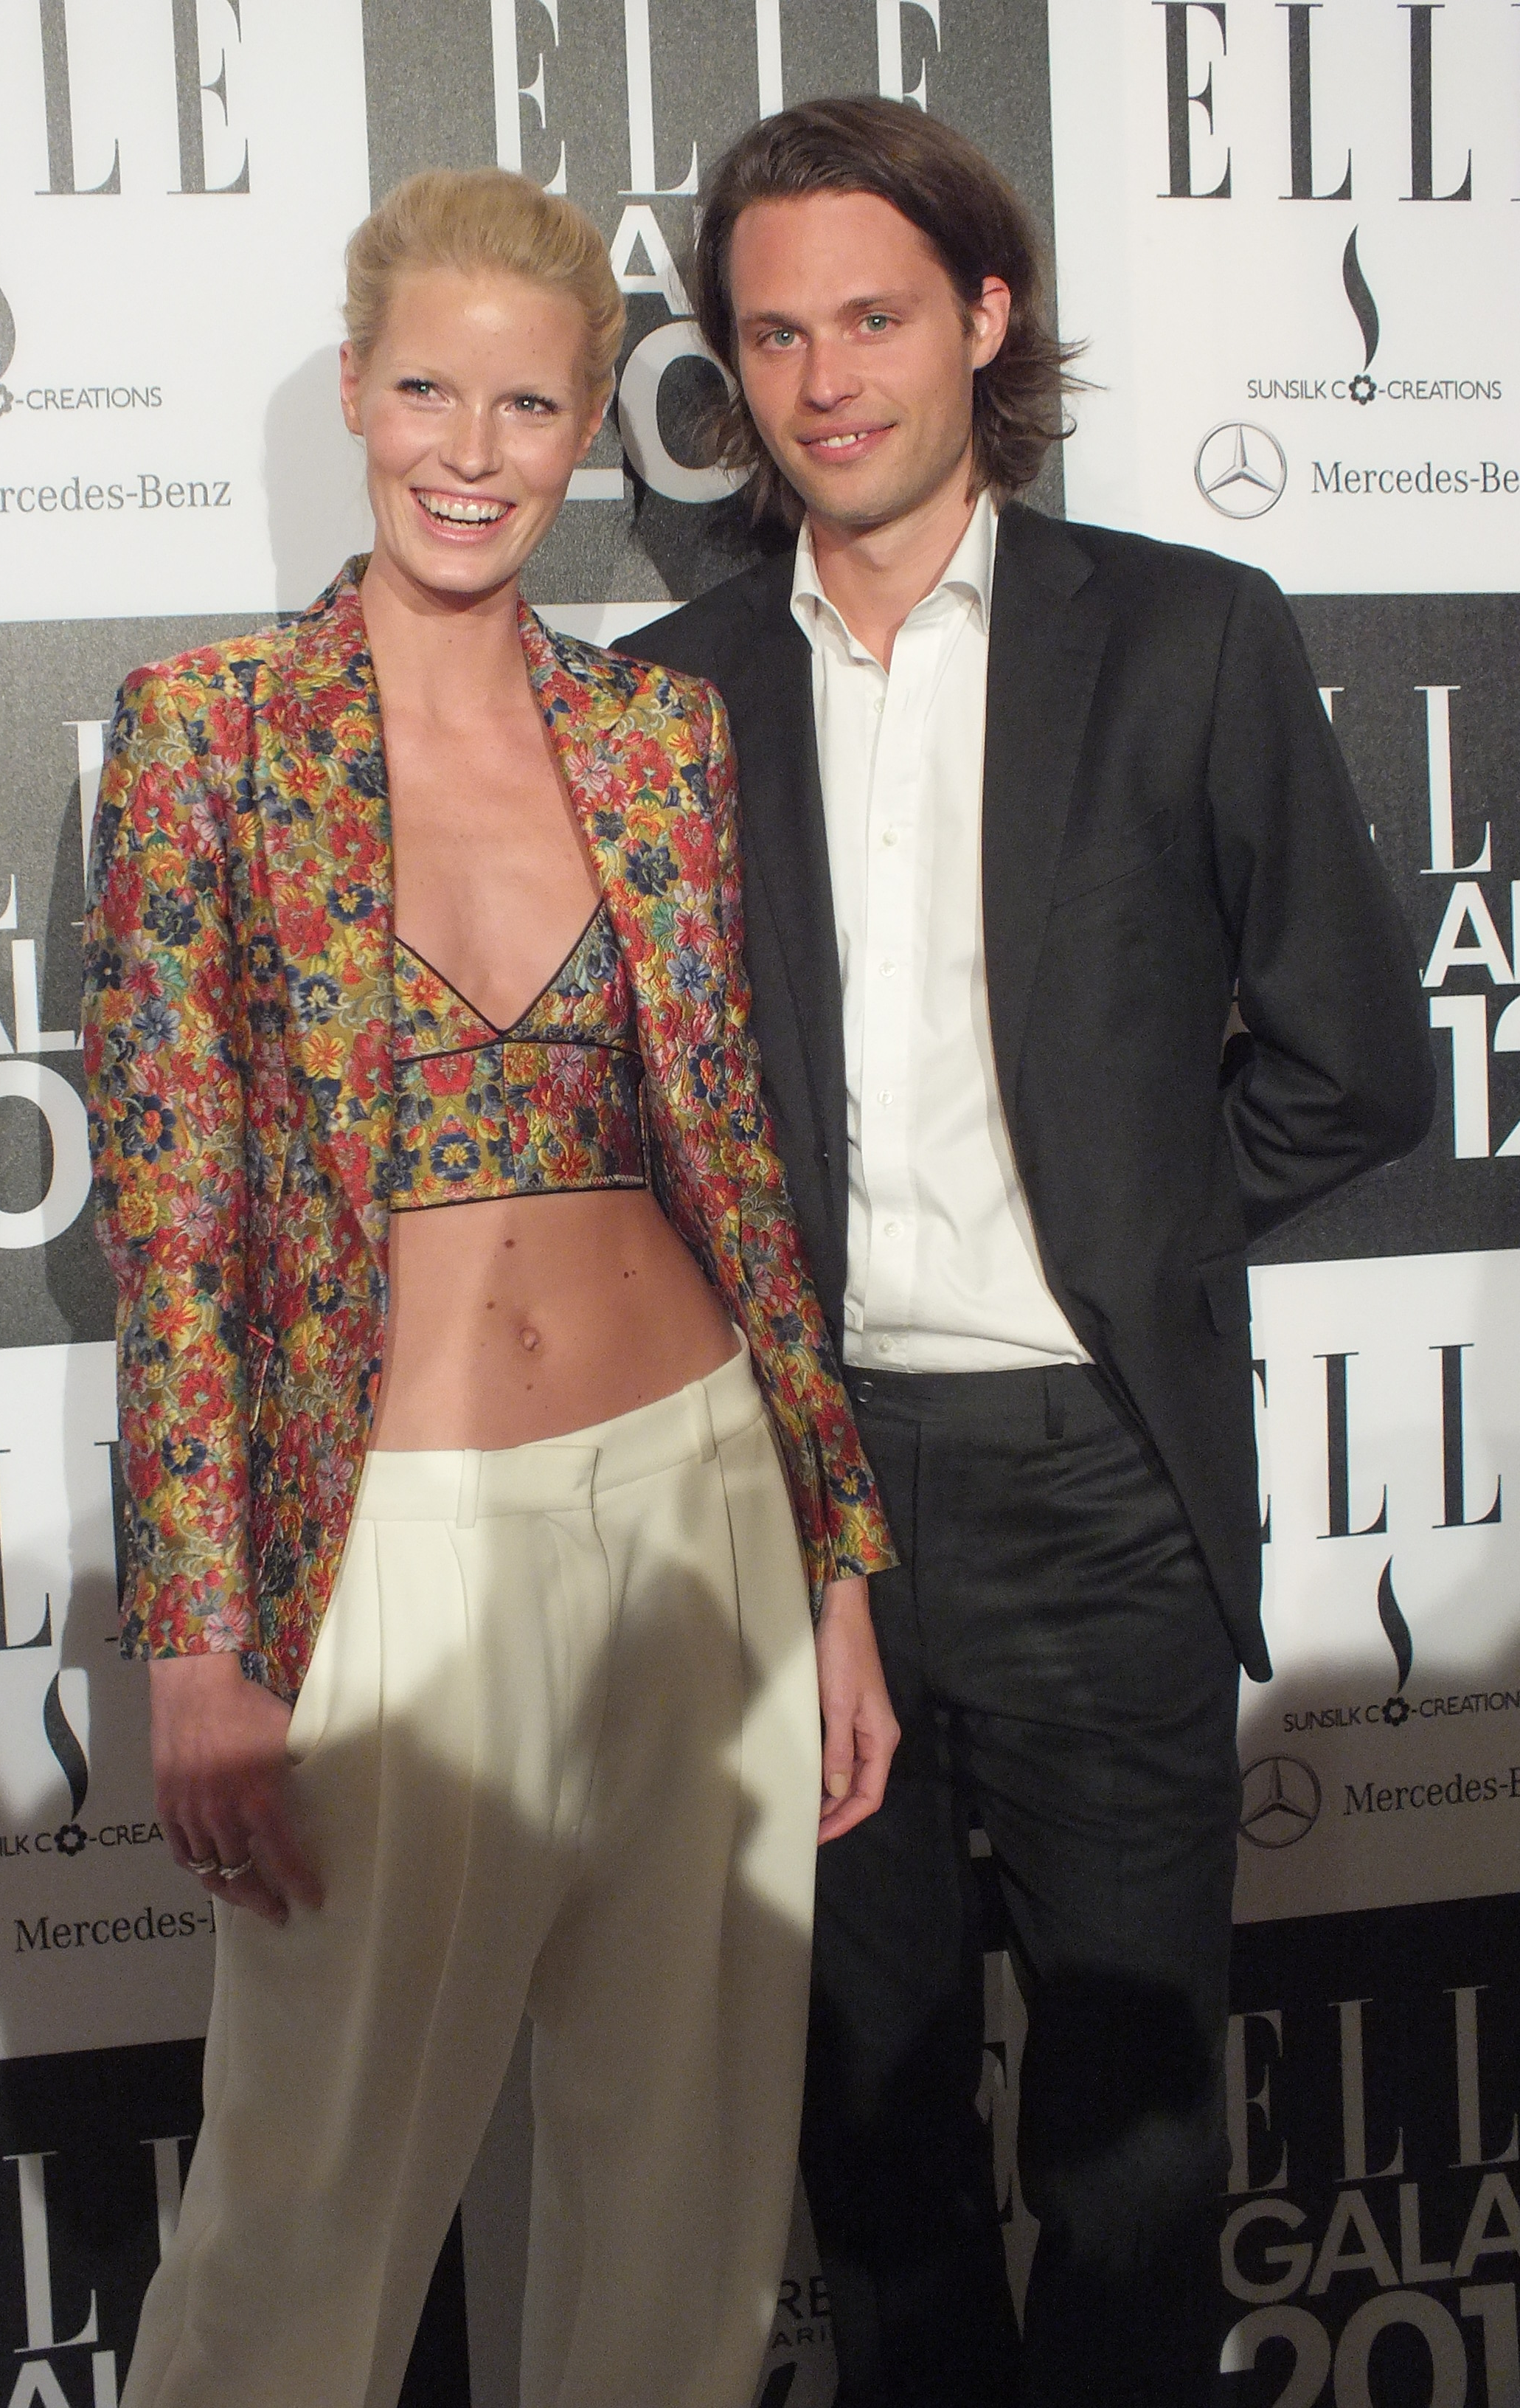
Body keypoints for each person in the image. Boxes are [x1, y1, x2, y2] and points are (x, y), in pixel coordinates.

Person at [624, 97, 1434, 2408]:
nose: (826, 379)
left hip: (1099, 1488)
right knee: (868, 2144)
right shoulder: (666, 696)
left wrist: (1120, 1238)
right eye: (777, 334)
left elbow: (1359, 1062)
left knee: (1134, 2158)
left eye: (874, 318)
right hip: (798, 1508)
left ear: (985, 319)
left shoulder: (1186, 636)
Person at [83, 165, 899, 2408]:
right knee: (304, 2215)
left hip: (698, 1506)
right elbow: (174, 1209)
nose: (472, 450)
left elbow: (734, 1164)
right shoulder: (207, 732)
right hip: (395, 1551)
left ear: (582, 433)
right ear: (357, 391)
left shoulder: (654, 739)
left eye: (529, 405)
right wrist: (199, 1635)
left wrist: (833, 1557)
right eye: (429, 391)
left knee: (685, 2206)